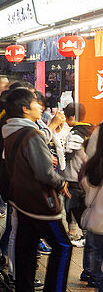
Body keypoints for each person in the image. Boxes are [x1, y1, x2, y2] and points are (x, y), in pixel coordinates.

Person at [0, 86, 76, 292]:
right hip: (39, 202)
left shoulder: (9, 130)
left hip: (21, 199)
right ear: (25, 109)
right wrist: (60, 182)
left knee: (26, 245)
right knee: (63, 246)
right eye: (35, 103)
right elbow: (44, 172)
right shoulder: (32, 134)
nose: (40, 106)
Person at [60, 102, 92, 244]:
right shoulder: (91, 129)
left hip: (73, 175)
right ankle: (78, 233)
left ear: (72, 117)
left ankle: (83, 234)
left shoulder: (75, 133)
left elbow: (69, 154)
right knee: (81, 205)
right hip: (86, 175)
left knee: (73, 206)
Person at [79, 122, 103, 292]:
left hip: (94, 216)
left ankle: (90, 272)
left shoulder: (93, 163)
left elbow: (84, 184)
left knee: (92, 244)